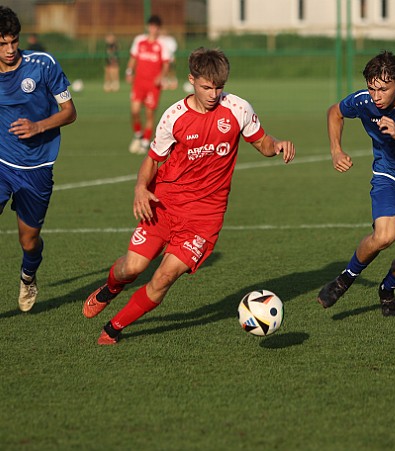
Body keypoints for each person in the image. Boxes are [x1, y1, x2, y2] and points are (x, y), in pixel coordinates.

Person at [83, 47, 296, 345]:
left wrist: (278, 146)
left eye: (218, 87)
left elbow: (262, 142)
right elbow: (153, 158)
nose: (213, 94)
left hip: (204, 219)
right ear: (191, 80)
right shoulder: (174, 117)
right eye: (206, 87)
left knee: (163, 278)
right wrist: (140, 188)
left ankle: (114, 328)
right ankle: (110, 289)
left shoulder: (237, 109)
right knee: (131, 268)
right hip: (165, 205)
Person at [317, 50, 395, 316]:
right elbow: (334, 112)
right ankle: (344, 280)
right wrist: (336, 150)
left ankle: (387, 290)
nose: (376, 96)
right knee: (385, 235)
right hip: (388, 175)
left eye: (383, 89)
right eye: (371, 89)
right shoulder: (365, 101)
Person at [0, 6, 77, 312]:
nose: (9, 49)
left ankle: (28, 275)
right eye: (2, 43)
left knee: (29, 241)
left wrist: (38, 126)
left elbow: (70, 112)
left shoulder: (42, 64)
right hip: (2, 163)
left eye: (13, 42)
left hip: (37, 168)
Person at [126, 15, 170, 155]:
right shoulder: (139, 41)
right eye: (151, 26)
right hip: (138, 83)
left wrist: (161, 77)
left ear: (158, 29)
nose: (153, 29)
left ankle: (145, 142)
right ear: (148, 27)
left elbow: (166, 64)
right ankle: (138, 134)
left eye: (156, 27)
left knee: (149, 114)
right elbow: (133, 58)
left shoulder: (162, 45)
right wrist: (129, 71)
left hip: (153, 86)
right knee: (134, 111)